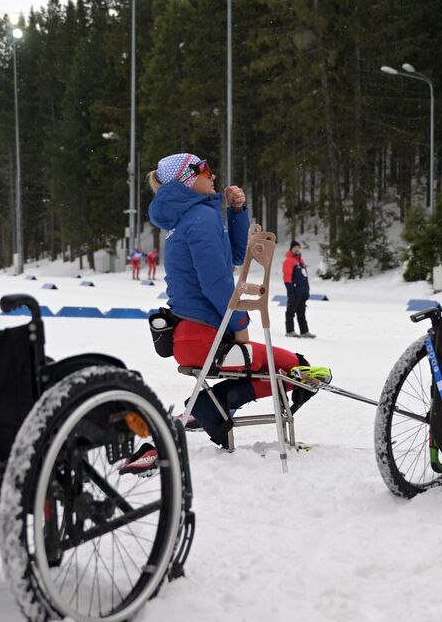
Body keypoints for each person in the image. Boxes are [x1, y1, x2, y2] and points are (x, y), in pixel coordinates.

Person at [121, 151, 309, 472]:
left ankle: (214, 403)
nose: (213, 175)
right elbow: (217, 284)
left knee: (294, 369)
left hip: (192, 335)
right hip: (206, 335)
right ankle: (214, 404)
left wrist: (237, 213)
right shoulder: (200, 219)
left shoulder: (195, 217)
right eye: (205, 169)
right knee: (301, 371)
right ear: (188, 179)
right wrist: (239, 322)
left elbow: (234, 256)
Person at [282, 239, 315, 338]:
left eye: (298, 247)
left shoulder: (300, 261)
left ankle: (304, 331)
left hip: (302, 292)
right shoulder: (289, 261)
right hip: (294, 291)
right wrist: (290, 291)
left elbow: (304, 278)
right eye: (295, 247)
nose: (297, 249)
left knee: (301, 312)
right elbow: (287, 277)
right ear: (291, 249)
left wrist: (307, 291)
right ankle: (290, 330)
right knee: (291, 311)